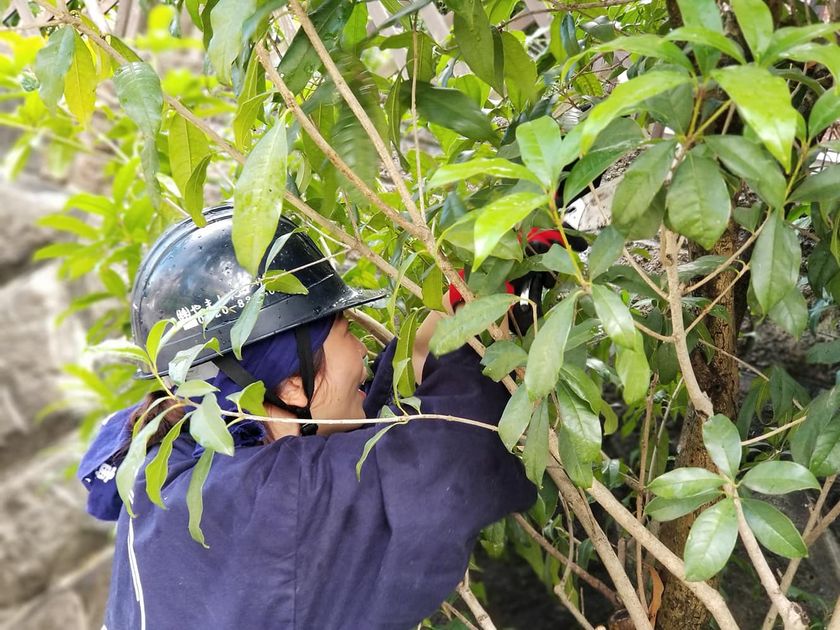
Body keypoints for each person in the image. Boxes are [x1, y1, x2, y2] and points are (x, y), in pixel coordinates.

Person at [78, 204, 537, 629]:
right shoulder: (279, 506)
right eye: (346, 332)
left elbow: (363, 442)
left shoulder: (174, 462)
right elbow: (448, 454)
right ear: (294, 383)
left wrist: (438, 324)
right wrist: (503, 297)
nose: (363, 351)